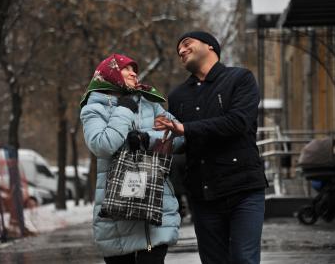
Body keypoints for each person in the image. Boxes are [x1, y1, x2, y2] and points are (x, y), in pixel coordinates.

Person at [154, 31, 268, 264]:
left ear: (210, 47)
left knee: (243, 259)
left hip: (244, 190)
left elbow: (238, 122)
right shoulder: (178, 95)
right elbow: (180, 142)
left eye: (187, 44)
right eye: (179, 51)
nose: (182, 51)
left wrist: (185, 128)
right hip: (203, 195)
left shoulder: (240, 78)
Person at [80, 53, 183, 264]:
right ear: (110, 73)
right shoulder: (93, 109)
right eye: (126, 68)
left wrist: (148, 138)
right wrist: (124, 111)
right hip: (117, 215)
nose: (134, 73)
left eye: (134, 69)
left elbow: (178, 136)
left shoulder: (150, 103)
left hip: (155, 209)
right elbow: (102, 145)